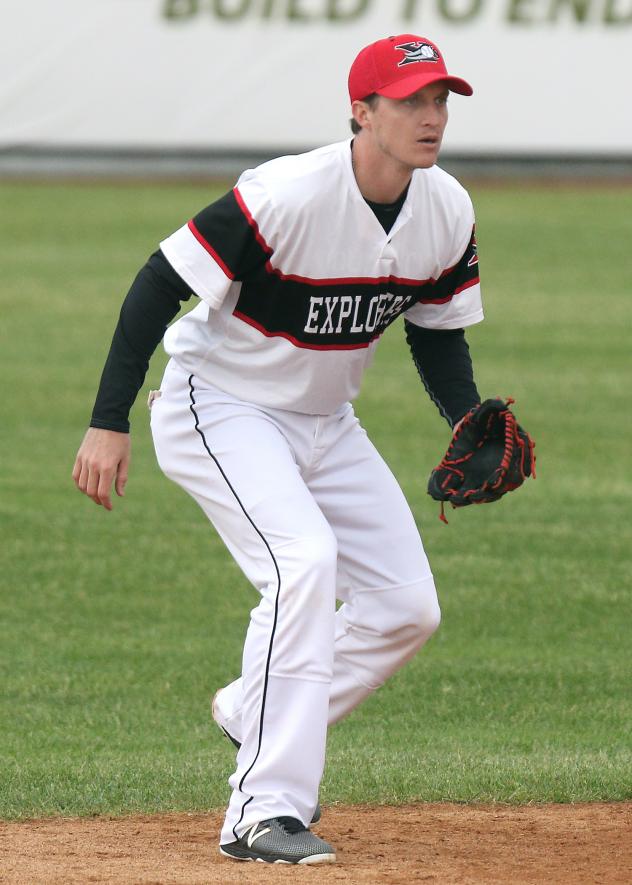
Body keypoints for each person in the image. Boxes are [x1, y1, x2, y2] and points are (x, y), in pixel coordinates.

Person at [72, 34, 483, 865]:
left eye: (440, 100)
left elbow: (437, 333)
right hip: (219, 406)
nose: (430, 117)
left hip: (328, 423)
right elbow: (160, 278)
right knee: (304, 563)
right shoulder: (286, 194)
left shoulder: (447, 209)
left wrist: (467, 419)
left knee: (408, 607)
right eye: (409, 101)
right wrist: (107, 419)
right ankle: (260, 811)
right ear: (361, 112)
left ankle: (248, 709)